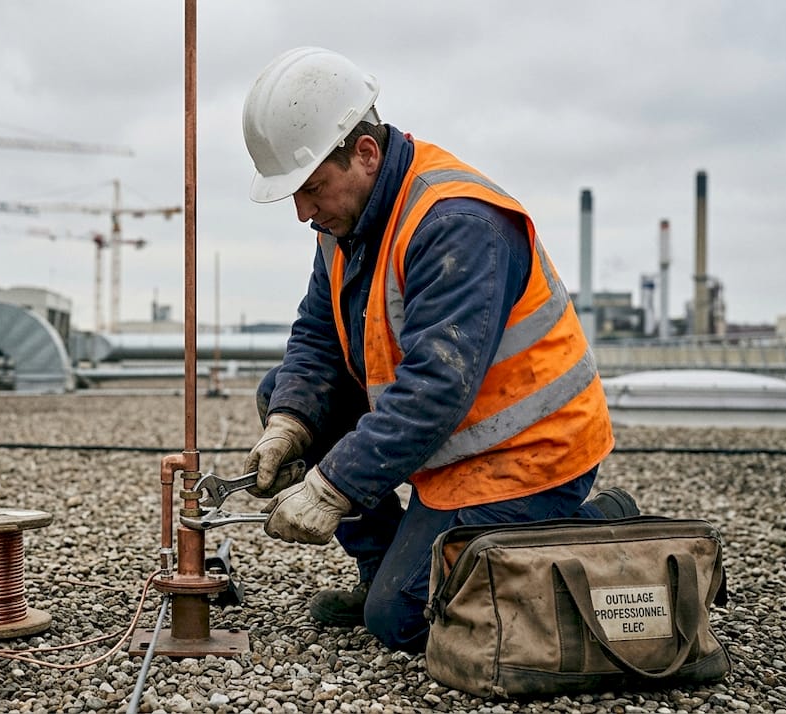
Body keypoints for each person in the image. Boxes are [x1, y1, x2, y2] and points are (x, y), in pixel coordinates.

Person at [240, 46, 637, 653]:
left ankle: (593, 526)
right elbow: (318, 338)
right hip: (456, 441)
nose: (302, 212)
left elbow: (435, 389)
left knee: (401, 621)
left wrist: (331, 486)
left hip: (527, 454)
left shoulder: (455, 222)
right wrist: (290, 423)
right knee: (286, 397)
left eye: (312, 188)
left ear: (365, 153)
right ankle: (387, 571)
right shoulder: (344, 223)